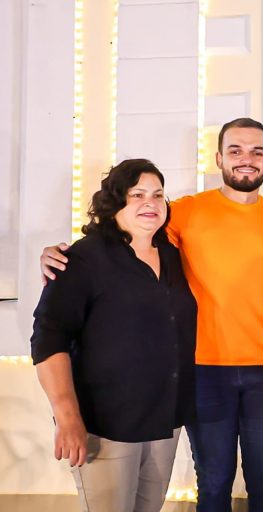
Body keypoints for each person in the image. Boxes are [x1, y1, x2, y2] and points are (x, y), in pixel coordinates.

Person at [40, 118, 263, 512]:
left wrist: (252, 299)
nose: (246, 159)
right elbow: (123, 237)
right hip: (203, 369)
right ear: (219, 158)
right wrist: (58, 256)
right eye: (235, 150)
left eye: (256, 151)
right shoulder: (183, 212)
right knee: (213, 481)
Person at [31, 159, 197, 512]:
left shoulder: (172, 255)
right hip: (107, 424)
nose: (150, 203)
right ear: (114, 202)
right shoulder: (83, 259)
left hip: (165, 419)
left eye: (158, 195)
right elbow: (49, 338)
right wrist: (67, 416)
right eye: (137, 194)